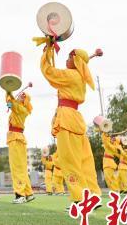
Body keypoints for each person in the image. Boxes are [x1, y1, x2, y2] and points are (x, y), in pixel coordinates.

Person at [39, 43, 101, 204]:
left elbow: (49, 72)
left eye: (69, 57)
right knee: (84, 161)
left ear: (76, 61)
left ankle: (81, 199)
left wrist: (47, 52)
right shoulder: (80, 76)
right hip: (75, 118)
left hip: (66, 118)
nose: (66, 60)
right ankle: (93, 195)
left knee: (69, 160)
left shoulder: (71, 75)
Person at [6, 92, 34, 204]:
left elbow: (11, 103)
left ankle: (20, 194)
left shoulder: (21, 109)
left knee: (16, 167)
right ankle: (28, 193)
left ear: (25, 101)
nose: (20, 97)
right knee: (21, 167)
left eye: (23, 96)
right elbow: (10, 102)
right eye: (20, 95)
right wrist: (9, 94)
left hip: (16, 139)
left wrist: (8, 91)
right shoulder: (19, 109)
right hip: (17, 139)